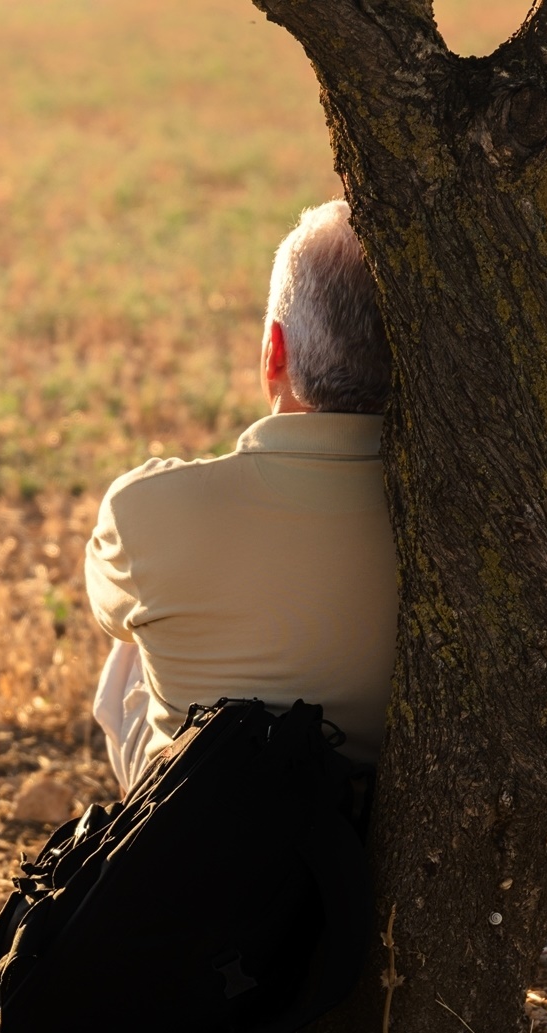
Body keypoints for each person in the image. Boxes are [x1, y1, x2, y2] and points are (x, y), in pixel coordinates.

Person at [86, 200, 398, 797]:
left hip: (204, 840)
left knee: (134, 639)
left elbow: (107, 612)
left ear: (273, 352)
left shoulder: (146, 510)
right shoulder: (461, 523)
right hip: (369, 838)